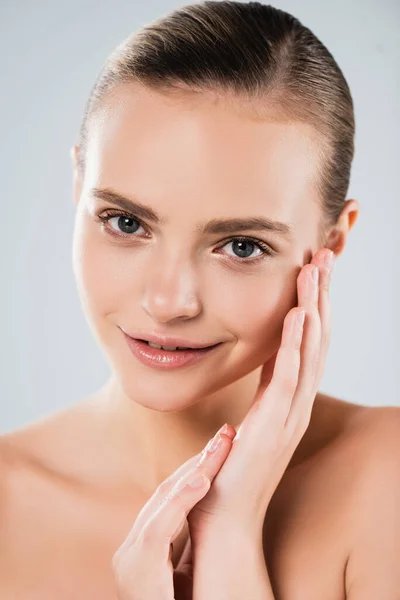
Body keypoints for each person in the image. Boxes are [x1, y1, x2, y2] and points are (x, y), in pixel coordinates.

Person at [1, 1, 399, 598]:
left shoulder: (386, 479)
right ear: (77, 190)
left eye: (241, 246)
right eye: (126, 223)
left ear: (332, 242)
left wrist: (232, 534)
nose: (167, 302)